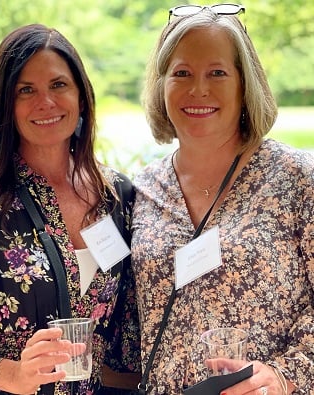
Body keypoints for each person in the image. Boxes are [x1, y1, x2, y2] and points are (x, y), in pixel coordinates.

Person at [131, 4, 313, 395]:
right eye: (182, 73)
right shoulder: (142, 190)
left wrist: (285, 377)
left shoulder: (298, 177)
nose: (199, 89)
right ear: (161, 84)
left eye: (217, 72)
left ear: (245, 84)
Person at [0, 24, 141, 394]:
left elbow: (129, 328)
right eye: (26, 90)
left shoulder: (118, 196)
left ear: (82, 96)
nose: (46, 102)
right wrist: (12, 375)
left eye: (58, 85)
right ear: (5, 104)